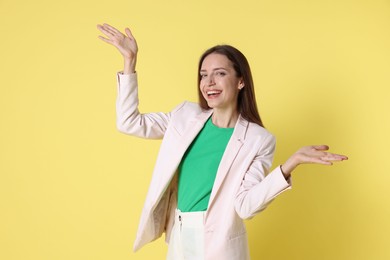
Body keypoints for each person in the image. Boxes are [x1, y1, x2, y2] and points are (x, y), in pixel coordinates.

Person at [97, 23, 348, 260]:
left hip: (219, 242)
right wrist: (129, 62)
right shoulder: (185, 116)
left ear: (241, 81)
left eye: (220, 74)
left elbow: (246, 206)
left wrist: (289, 166)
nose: (209, 83)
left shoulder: (259, 140)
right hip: (180, 234)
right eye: (204, 75)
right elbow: (129, 122)